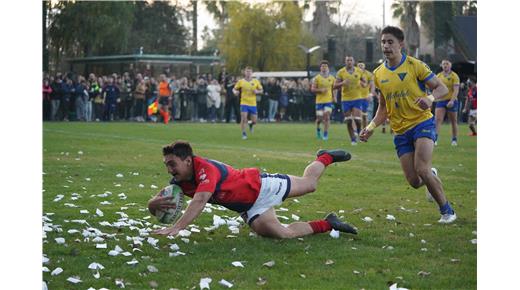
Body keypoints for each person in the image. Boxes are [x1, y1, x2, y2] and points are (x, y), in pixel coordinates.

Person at [149, 140, 358, 239]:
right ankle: (329, 223)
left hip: (261, 187)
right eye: (167, 164)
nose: (169, 169)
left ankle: (325, 157)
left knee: (310, 185)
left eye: (172, 164)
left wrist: (177, 227)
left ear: (187, 161)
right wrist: (152, 205)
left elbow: (200, 200)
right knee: (282, 235)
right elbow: (160, 203)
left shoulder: (206, 169)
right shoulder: (178, 181)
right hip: (249, 207)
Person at [359, 26, 457, 224]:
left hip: (422, 122)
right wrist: (370, 128)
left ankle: (447, 211)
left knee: (421, 169)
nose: (386, 46)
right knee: (414, 181)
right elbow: (383, 108)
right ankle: (432, 176)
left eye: (390, 42)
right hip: (400, 131)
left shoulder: (415, 65)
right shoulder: (378, 74)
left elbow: (442, 88)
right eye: (383, 42)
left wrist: (430, 98)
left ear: (400, 44)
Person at [335, 56, 367, 145]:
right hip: (345, 99)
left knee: (357, 119)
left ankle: (358, 131)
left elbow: (365, 82)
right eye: (347, 60)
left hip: (357, 98)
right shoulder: (341, 72)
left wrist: (363, 84)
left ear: (353, 61)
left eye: (351, 60)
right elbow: (335, 86)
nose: (349, 62)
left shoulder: (359, 71)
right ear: (345, 62)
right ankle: (353, 139)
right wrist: (342, 83)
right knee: (348, 120)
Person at [434, 60, 461, 146]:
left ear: (450, 65)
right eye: (444, 64)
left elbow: (456, 90)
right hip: (441, 101)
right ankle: (435, 139)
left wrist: (452, 101)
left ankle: (454, 139)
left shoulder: (454, 76)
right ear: (441, 65)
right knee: (437, 120)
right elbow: (435, 88)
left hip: (451, 100)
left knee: (453, 121)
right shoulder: (438, 76)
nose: (445, 65)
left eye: (447, 64)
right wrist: (433, 98)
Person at [233, 66, 263, 140]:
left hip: (253, 103)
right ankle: (244, 133)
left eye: (250, 72)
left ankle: (251, 124)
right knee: (243, 118)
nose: (248, 73)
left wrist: (257, 91)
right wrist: (235, 92)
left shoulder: (256, 81)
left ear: (252, 73)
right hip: (244, 102)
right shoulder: (241, 81)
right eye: (247, 71)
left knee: (255, 121)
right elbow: (234, 89)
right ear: (245, 72)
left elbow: (262, 90)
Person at [311, 60, 336, 140]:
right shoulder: (317, 78)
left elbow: (334, 89)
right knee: (319, 118)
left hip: (328, 101)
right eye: (322, 66)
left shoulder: (332, 78)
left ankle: (325, 134)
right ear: (320, 68)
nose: (324, 68)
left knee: (327, 117)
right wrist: (320, 90)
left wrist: (334, 97)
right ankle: (318, 129)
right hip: (319, 101)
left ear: (328, 68)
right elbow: (313, 89)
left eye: (325, 66)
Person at [357, 62, 376, 129]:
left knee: (365, 116)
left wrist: (371, 94)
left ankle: (365, 129)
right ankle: (357, 130)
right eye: (359, 65)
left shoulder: (368, 74)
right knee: (357, 116)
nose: (360, 66)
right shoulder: (354, 74)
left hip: (365, 97)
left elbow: (372, 85)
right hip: (356, 98)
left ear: (364, 66)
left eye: (362, 65)